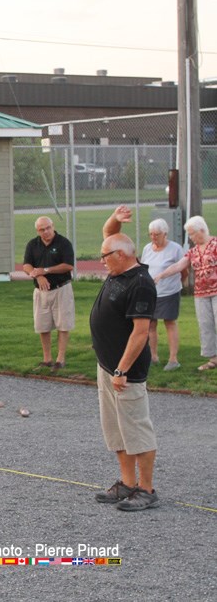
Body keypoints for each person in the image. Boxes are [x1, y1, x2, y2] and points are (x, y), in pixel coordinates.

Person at [91, 208, 159, 511]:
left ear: (122, 255)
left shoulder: (141, 283)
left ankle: (146, 489)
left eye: (105, 256)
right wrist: (117, 218)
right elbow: (109, 232)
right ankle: (127, 483)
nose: (101, 260)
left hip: (125, 372)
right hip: (106, 366)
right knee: (115, 429)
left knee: (136, 429)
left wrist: (122, 369)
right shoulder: (117, 268)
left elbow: (141, 332)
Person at [153, 215, 217, 372]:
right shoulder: (192, 251)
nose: (191, 237)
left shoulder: (215, 244)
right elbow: (178, 266)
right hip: (201, 293)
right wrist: (162, 275)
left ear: (201, 230)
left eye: (192, 233)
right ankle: (213, 358)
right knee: (205, 325)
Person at [22, 216, 76, 371]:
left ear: (52, 226)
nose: (46, 232)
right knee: (42, 325)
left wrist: (46, 270)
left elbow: (68, 266)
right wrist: (37, 275)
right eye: (42, 229)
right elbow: (26, 265)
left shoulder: (63, 243)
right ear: (37, 231)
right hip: (41, 292)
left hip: (61, 288)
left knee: (63, 324)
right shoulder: (33, 244)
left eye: (48, 228)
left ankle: (60, 359)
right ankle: (47, 359)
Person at [138, 217, 185, 371]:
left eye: (156, 234)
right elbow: (144, 267)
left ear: (165, 234)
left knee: (169, 322)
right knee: (150, 324)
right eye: (151, 234)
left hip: (169, 292)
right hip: (151, 292)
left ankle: (173, 359)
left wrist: (179, 284)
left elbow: (183, 269)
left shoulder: (176, 248)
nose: (153, 237)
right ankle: (153, 356)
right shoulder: (147, 248)